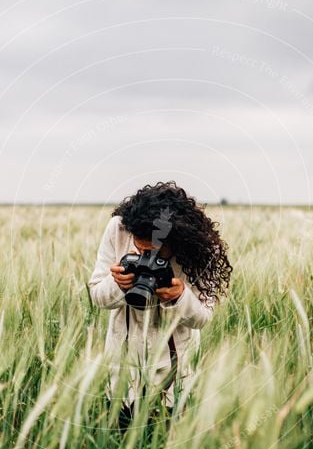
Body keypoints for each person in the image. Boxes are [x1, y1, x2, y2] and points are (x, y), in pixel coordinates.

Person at [87, 181, 233, 432]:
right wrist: (118, 284)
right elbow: (97, 296)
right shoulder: (118, 229)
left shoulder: (198, 249)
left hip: (173, 377)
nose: (146, 257)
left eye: (155, 253)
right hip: (123, 373)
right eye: (138, 249)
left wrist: (179, 297)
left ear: (176, 242)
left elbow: (203, 319)